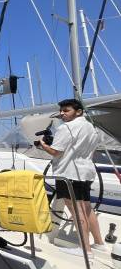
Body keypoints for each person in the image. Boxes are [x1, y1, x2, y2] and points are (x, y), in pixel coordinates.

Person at [39, 98, 103, 257]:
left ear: (78, 111)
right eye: (61, 111)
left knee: (76, 211)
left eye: (66, 110)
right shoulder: (91, 127)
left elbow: (56, 152)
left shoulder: (66, 128)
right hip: (86, 172)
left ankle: (85, 250)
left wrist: (43, 145)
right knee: (86, 208)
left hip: (68, 173)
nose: (62, 113)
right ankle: (99, 243)